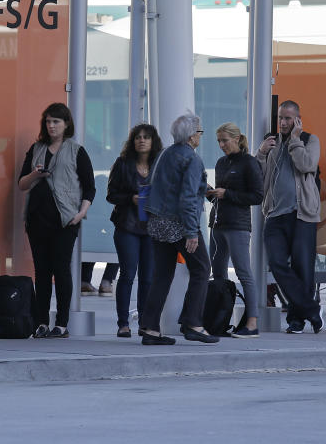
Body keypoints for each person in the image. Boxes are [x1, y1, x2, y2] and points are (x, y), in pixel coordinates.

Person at [139, 112, 218, 345]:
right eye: (200, 132)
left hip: (157, 222)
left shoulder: (164, 154)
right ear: (193, 135)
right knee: (202, 268)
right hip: (179, 225)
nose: (200, 137)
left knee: (162, 275)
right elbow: (188, 198)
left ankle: (150, 328)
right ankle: (193, 322)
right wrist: (192, 232)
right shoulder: (191, 159)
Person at [18, 103, 95, 338]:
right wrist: (35, 174)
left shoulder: (76, 150)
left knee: (61, 270)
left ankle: (61, 323)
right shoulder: (37, 148)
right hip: (37, 219)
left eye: (56, 122)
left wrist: (80, 214)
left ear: (66, 124)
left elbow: (90, 188)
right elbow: (22, 184)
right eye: (48, 121)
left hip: (65, 220)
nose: (51, 126)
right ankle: (41, 322)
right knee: (41, 271)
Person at [256, 100, 324, 335]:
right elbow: (260, 178)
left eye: (288, 118)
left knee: (303, 268)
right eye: (280, 118)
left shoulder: (309, 140)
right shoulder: (272, 143)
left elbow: (307, 165)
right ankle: (312, 310)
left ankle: (297, 320)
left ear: (297, 119)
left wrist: (294, 140)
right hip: (275, 214)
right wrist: (261, 154)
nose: (283, 122)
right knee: (276, 263)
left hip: (302, 214)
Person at [105, 123, 163, 337]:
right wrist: (131, 198)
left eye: (146, 137)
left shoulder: (159, 164)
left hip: (152, 227)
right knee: (128, 274)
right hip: (127, 225)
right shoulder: (122, 163)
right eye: (138, 137)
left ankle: (144, 323)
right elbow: (111, 194)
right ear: (132, 141)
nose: (142, 140)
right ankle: (123, 323)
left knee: (148, 277)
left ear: (152, 141)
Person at [209, 122, 263, 337]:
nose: (221, 145)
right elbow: (222, 192)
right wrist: (212, 194)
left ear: (237, 139)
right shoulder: (221, 163)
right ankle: (220, 320)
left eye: (225, 140)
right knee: (218, 274)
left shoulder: (249, 163)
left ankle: (252, 322)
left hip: (238, 225)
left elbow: (257, 196)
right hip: (218, 223)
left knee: (244, 273)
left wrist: (227, 194)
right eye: (219, 141)